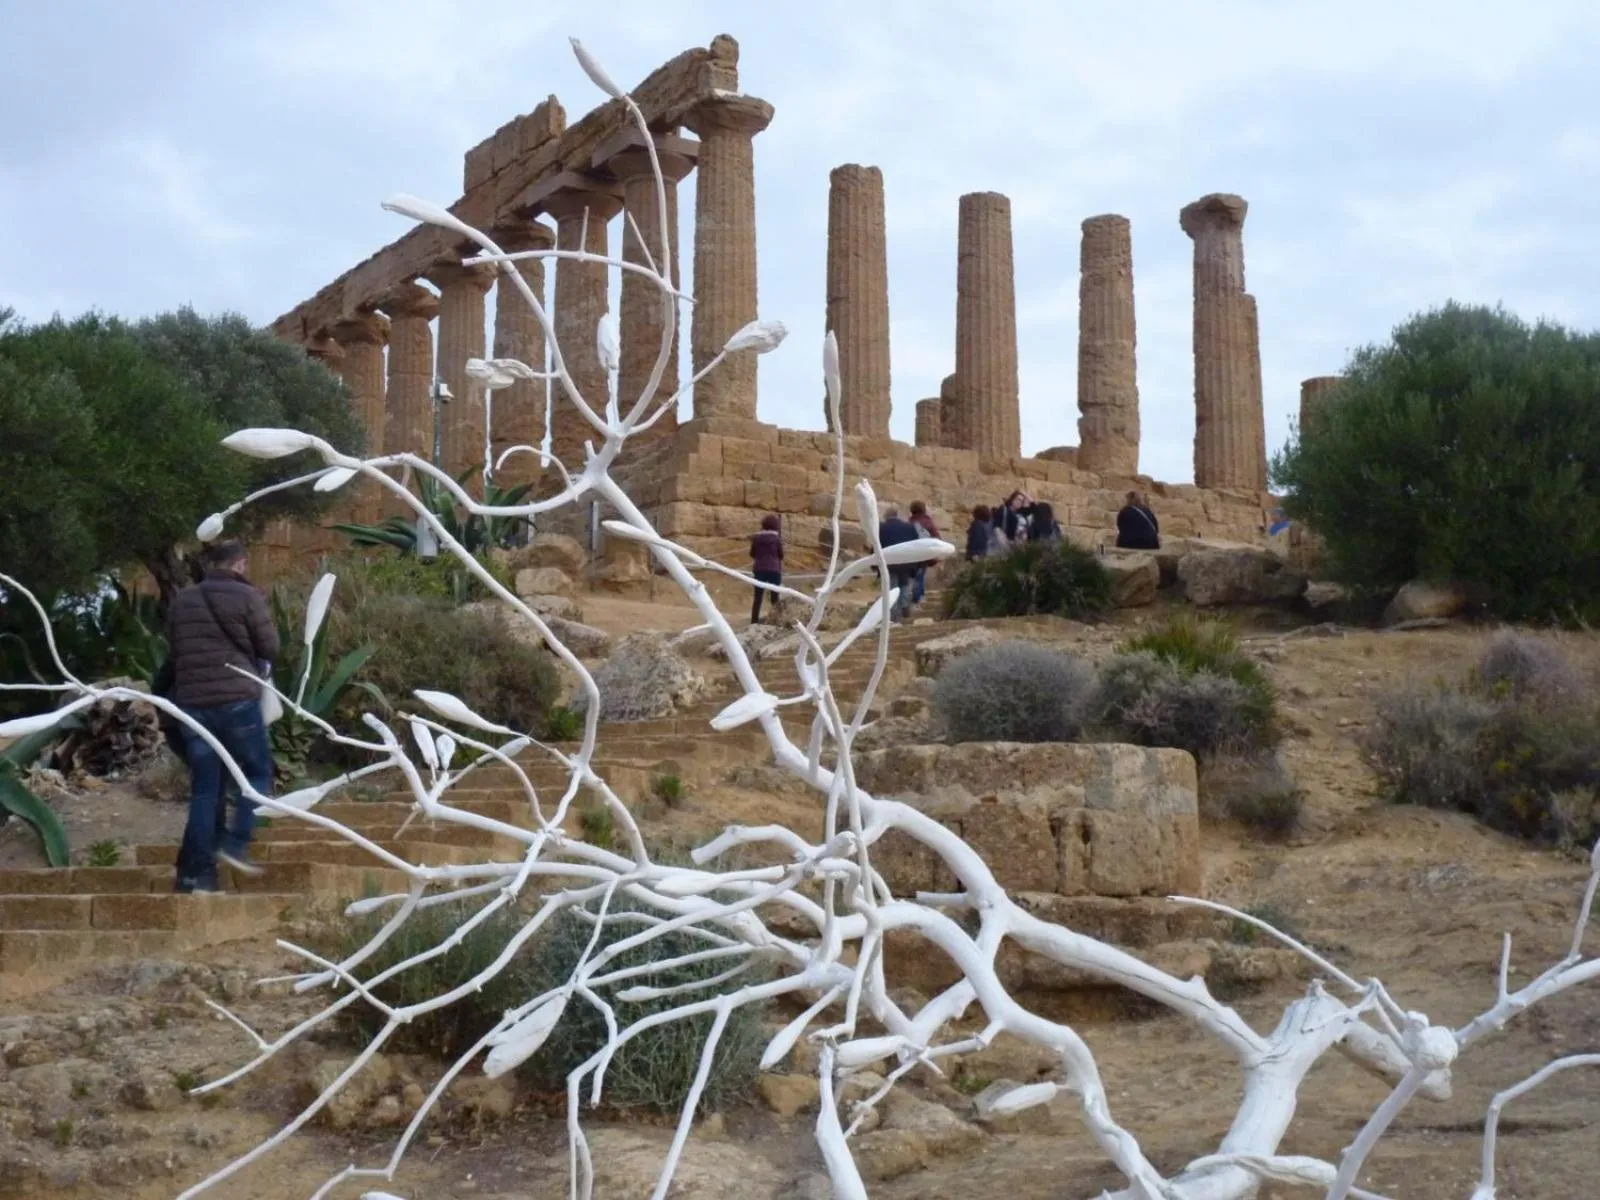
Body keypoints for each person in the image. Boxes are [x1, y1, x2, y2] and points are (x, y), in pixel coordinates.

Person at [166, 540, 277, 893]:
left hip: (193, 707)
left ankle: (199, 873)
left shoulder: (182, 600)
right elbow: (270, 646)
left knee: (205, 790)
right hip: (237, 700)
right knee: (257, 773)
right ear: (239, 564)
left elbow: (174, 649)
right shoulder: (247, 596)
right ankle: (237, 843)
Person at [878, 506, 922, 620]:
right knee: (904, 586)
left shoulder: (881, 528)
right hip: (906, 563)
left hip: (889, 563)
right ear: (897, 515)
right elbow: (916, 545)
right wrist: (916, 564)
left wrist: (874, 563)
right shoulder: (909, 527)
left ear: (886, 516)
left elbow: (877, 546)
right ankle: (904, 606)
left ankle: (894, 616)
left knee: (892, 589)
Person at [749, 513, 785, 624]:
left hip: (759, 569)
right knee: (775, 597)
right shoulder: (777, 539)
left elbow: (752, 553)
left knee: (758, 597)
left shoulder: (756, 538)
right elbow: (781, 555)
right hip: (774, 569)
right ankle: (777, 620)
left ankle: (754, 621)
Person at [907, 500, 940, 605]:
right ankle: (918, 597)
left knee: (916, 575)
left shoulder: (909, 522)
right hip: (925, 553)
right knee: (920, 575)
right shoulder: (928, 522)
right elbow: (936, 537)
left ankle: (917, 596)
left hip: (913, 553)